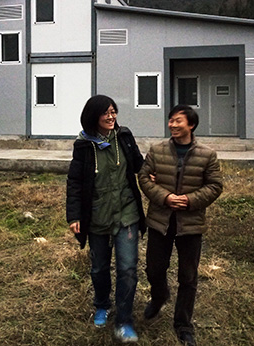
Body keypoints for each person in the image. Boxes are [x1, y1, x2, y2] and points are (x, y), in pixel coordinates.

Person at [138, 104, 223, 346]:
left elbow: (215, 186)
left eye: (178, 121)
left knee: (188, 276)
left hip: (190, 224)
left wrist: (189, 200)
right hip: (159, 220)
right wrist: (164, 197)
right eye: (171, 120)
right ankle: (159, 296)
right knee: (154, 269)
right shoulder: (157, 150)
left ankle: (183, 324)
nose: (173, 125)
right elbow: (144, 177)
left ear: (191, 125)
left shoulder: (207, 154)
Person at [66, 94, 146, 343]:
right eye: (106, 113)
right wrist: (74, 215)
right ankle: (102, 304)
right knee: (99, 267)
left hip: (126, 213)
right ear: (93, 116)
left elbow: (138, 165)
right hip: (97, 215)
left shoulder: (124, 137)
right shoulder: (83, 146)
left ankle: (124, 320)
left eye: (114, 111)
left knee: (128, 269)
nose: (111, 116)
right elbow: (75, 183)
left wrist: (152, 175)